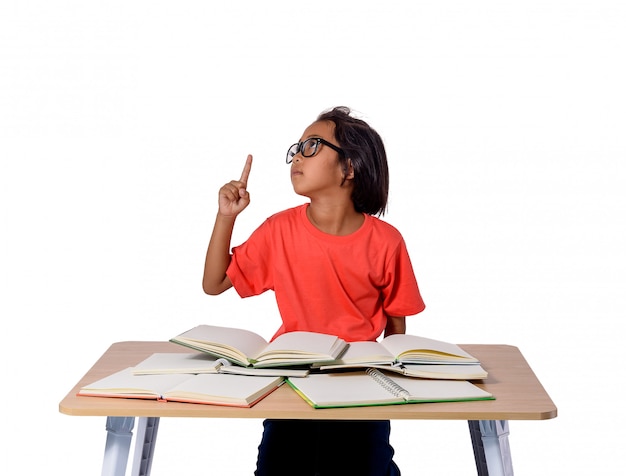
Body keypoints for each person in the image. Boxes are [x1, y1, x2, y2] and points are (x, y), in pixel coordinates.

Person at [202, 106, 425, 476]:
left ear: (349, 167)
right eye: (297, 147)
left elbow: (396, 328)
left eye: (313, 146)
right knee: (279, 469)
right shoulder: (278, 230)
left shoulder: (387, 241)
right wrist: (227, 216)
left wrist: (388, 388)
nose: (297, 157)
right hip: (291, 379)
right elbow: (214, 283)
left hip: (360, 385)